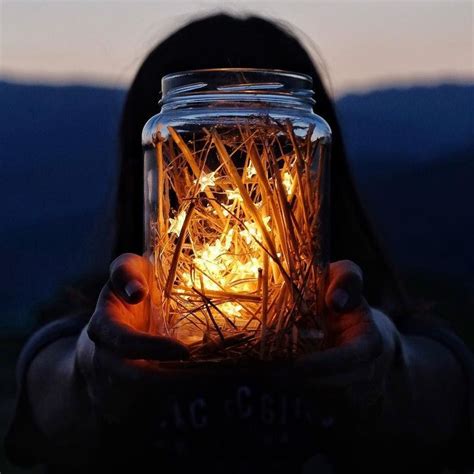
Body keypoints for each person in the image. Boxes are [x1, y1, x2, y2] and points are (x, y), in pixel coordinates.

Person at [5, 14, 473, 474]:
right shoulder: (104, 318)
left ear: (312, 183)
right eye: (199, 164)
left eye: (271, 158)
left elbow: (440, 391)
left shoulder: (374, 323)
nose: (235, 199)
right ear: (147, 173)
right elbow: (51, 384)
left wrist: (385, 358)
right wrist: (91, 367)